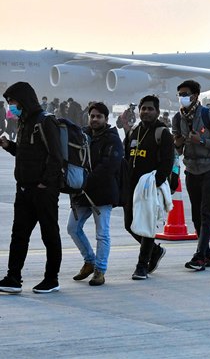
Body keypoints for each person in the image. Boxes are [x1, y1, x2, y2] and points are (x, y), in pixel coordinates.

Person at [0, 82, 63, 294]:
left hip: (43, 191)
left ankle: (51, 279)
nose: (10, 106)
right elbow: (26, 154)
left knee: (49, 234)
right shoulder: (24, 122)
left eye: (12, 102)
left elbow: (56, 157)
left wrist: (44, 183)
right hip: (23, 189)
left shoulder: (45, 122)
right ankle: (13, 278)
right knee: (18, 234)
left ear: (23, 100)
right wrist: (9, 146)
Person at [173, 80, 210, 271]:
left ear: (196, 95)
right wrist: (179, 143)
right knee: (196, 216)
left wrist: (203, 140)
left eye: (186, 94)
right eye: (180, 94)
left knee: (207, 213)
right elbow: (178, 150)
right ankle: (207, 254)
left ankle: (199, 256)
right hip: (191, 169)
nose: (182, 98)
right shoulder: (177, 118)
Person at [67, 102, 123, 287]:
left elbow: (109, 166)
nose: (95, 119)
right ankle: (89, 260)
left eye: (99, 116)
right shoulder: (83, 136)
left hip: (103, 193)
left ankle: (100, 270)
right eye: (92, 116)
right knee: (72, 228)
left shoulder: (113, 139)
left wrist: (85, 179)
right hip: (82, 193)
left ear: (106, 119)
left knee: (102, 234)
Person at [123, 95, 174, 280]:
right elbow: (125, 157)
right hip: (131, 187)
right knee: (129, 225)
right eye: (143, 108)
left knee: (147, 226)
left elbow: (168, 161)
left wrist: (157, 182)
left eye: (150, 109)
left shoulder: (162, 133)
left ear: (157, 111)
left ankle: (141, 266)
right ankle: (155, 250)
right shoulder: (133, 132)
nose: (146, 112)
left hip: (150, 188)